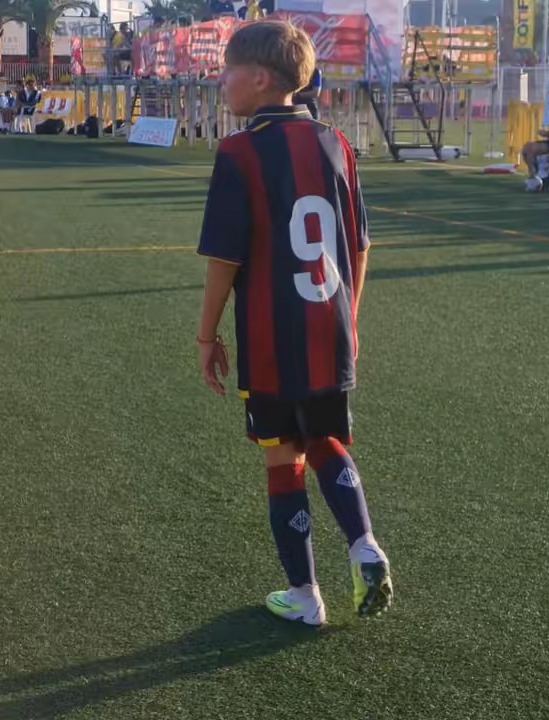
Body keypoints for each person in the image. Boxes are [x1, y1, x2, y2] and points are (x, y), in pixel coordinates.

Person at [196, 20, 392, 626]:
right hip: (330, 327)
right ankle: (364, 545)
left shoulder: (239, 151)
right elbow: (360, 246)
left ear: (260, 78)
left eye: (228, 70)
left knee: (283, 456)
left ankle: (305, 596)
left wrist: (206, 336)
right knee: (327, 438)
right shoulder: (336, 143)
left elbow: (224, 258)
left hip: (271, 337)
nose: (222, 81)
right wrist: (349, 319)